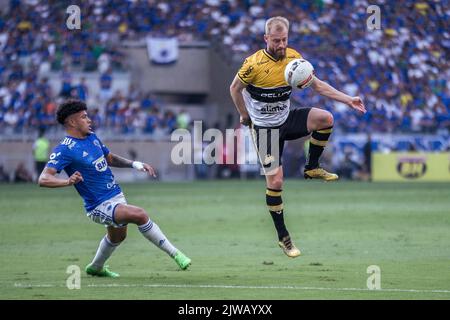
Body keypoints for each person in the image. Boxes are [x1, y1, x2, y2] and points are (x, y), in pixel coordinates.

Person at [229, 16, 366, 258]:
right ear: (266, 39)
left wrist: (348, 99)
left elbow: (318, 85)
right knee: (277, 182)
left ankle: (312, 167)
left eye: (284, 40)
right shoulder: (253, 65)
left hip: (286, 119)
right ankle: (284, 237)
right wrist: (244, 115)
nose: (281, 45)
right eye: (276, 41)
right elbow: (234, 89)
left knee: (326, 119)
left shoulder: (294, 58)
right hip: (265, 129)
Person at [38, 99, 191, 277]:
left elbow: (109, 158)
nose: (89, 120)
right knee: (139, 214)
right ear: (72, 122)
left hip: (116, 195)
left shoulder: (92, 137)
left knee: (118, 237)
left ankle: (95, 267)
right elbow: (44, 178)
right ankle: (176, 254)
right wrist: (67, 181)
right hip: (98, 205)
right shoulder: (65, 149)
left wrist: (135, 164)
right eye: (84, 117)